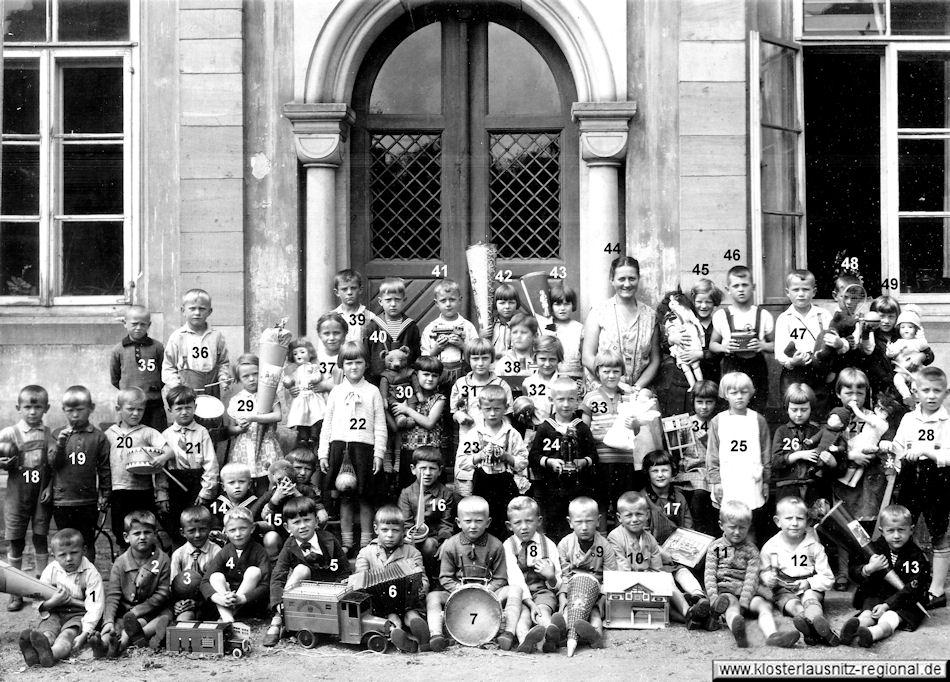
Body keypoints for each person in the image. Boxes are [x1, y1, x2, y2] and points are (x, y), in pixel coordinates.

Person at [425, 495, 519, 652]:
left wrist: (486, 591)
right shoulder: (451, 545)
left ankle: (508, 632)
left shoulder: (496, 545)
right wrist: (459, 590)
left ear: (488, 522)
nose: (473, 526)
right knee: (432, 597)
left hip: (488, 593)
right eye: (468, 521)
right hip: (458, 594)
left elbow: (501, 578)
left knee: (515, 590)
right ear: (458, 522)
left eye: (479, 521)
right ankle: (436, 634)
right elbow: (445, 577)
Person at [318, 341, 387, 553]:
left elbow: (379, 425)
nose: (354, 367)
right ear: (341, 365)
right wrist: (323, 453)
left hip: (364, 449)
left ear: (366, 365)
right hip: (340, 448)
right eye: (349, 363)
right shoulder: (337, 392)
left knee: (365, 497)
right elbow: (327, 424)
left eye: (358, 362)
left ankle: (367, 542)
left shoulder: (372, 391)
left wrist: (379, 454)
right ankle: (347, 543)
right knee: (345, 496)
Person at [891, 366, 950, 609]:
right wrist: (896, 454)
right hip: (911, 477)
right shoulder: (908, 418)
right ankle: (903, 584)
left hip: (938, 479)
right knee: (903, 527)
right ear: (916, 392)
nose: (932, 396)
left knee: (939, 532)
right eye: (926, 390)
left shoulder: (946, 421)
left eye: (937, 391)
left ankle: (937, 590)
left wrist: (927, 451)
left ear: (945, 394)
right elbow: (898, 444)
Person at [704, 501, 799, 648]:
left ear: (748, 527)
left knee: (763, 607)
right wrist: (714, 601)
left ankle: (772, 635)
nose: (737, 532)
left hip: (748, 593)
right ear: (721, 525)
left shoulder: (751, 550)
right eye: (732, 527)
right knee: (731, 606)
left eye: (742, 528)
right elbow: (710, 575)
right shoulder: (716, 547)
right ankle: (737, 629)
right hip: (726, 590)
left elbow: (751, 578)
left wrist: (745, 601)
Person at [264, 497, 350, 647]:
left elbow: (345, 570)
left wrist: (338, 588)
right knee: (301, 570)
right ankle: (278, 619)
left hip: (328, 593)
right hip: (303, 596)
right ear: (287, 527)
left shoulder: (329, 540)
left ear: (316, 521)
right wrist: (279, 602)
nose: (302, 526)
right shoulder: (289, 546)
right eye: (296, 522)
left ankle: (318, 628)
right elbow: (278, 575)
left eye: (307, 520)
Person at [840, 505, 930, 647]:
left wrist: (887, 606)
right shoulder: (874, 548)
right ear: (882, 531)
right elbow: (854, 573)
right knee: (867, 613)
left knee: (890, 618)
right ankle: (853, 629)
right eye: (891, 530)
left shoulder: (916, 556)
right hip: (878, 594)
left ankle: (872, 634)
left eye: (901, 530)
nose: (896, 535)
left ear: (911, 530)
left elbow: (912, 589)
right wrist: (868, 569)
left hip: (905, 600)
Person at [0, 385, 55, 610]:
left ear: (46, 408)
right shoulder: (9, 433)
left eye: (37, 407)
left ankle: (41, 585)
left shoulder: (47, 433)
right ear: (18, 408)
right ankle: (16, 591)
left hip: (40, 494)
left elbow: (54, 466)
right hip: (16, 495)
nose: (32, 412)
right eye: (28, 407)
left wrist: (50, 486)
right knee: (16, 541)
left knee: (41, 538)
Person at [830, 368, 886, 591]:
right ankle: (843, 572)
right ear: (838, 393)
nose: (854, 397)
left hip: (868, 479)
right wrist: (850, 455)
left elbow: (883, 444)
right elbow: (828, 447)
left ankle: (865, 568)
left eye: (860, 392)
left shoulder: (873, 418)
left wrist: (873, 453)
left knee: (866, 524)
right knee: (845, 523)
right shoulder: (835, 418)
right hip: (844, 478)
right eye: (848, 391)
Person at [18, 528, 104, 667]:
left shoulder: (91, 573)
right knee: (48, 633)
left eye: (74, 553)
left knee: (66, 636)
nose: (69, 558)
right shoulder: (50, 570)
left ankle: (51, 654)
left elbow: (96, 607)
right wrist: (53, 602)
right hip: (55, 611)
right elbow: (38, 600)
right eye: (62, 555)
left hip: (78, 615)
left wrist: (85, 633)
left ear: (84, 550)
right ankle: (35, 652)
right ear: (54, 555)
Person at [455, 384, 529, 539]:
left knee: (506, 519)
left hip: (505, 481)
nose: (493, 413)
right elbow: (462, 461)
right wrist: (480, 455)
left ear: (506, 407)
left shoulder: (512, 434)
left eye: (497, 409)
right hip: (483, 481)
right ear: (480, 407)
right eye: (488, 409)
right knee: (483, 516)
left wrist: (506, 457)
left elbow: (523, 460)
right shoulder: (474, 433)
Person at [760, 497, 836, 646]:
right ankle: (811, 628)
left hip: (809, 586)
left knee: (810, 597)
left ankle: (816, 621)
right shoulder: (771, 546)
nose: (794, 523)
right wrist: (768, 578)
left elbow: (828, 577)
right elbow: (764, 570)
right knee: (792, 604)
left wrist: (809, 583)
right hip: (784, 588)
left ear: (807, 521)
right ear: (777, 521)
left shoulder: (814, 546)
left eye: (800, 518)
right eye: (788, 518)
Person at [354, 505, 430, 653]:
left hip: (407, 601)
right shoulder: (366, 553)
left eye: (395, 531)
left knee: (411, 614)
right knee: (391, 616)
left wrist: (419, 589)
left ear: (403, 531)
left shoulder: (412, 552)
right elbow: (360, 580)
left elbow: (423, 580)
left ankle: (421, 633)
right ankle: (399, 635)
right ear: (376, 529)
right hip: (380, 604)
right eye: (385, 530)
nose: (390, 535)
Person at [529, 376, 597, 541]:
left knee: (574, 524)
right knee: (552, 525)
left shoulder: (581, 428)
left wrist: (582, 462)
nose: (566, 404)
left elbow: (594, 455)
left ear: (577, 400)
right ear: (552, 400)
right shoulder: (545, 427)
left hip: (577, 487)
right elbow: (533, 456)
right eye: (561, 399)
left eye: (571, 399)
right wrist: (550, 462)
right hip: (551, 487)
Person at [104, 387, 172, 551]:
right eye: (131, 409)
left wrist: (161, 458)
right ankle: (124, 566)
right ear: (118, 409)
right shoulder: (109, 434)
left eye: (140, 410)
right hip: (118, 490)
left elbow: (169, 451)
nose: (135, 413)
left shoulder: (147, 433)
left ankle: (148, 566)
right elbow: (102, 465)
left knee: (146, 529)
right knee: (121, 531)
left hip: (143, 490)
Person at [582, 349, 644, 525]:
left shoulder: (628, 397)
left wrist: (634, 425)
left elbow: (636, 430)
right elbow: (585, 431)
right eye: (606, 371)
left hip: (624, 459)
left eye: (616, 371)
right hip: (600, 459)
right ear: (597, 372)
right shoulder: (590, 398)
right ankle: (601, 535)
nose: (611, 375)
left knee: (622, 501)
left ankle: (620, 536)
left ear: (622, 372)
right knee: (600, 501)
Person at [706, 372, 771, 538]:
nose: (739, 397)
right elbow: (712, 454)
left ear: (751, 393)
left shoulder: (758, 420)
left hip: (751, 478)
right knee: (730, 519)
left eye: (744, 392)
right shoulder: (718, 421)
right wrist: (716, 481)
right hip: (728, 478)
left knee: (750, 521)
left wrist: (766, 481)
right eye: (734, 393)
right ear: (725, 395)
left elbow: (765, 452)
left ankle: (751, 556)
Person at [50, 385, 111, 563]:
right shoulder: (56, 434)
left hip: (87, 499)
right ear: (63, 410)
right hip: (62, 499)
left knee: (87, 541)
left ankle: (88, 579)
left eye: (80, 410)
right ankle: (66, 580)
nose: (75, 415)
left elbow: (104, 468)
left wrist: (105, 493)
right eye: (70, 411)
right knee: (64, 541)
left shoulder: (98, 437)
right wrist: (60, 445)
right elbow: (53, 465)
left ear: (91, 408)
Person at [582, 256, 660, 393]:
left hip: (637, 391)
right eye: (621, 279)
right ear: (612, 280)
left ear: (638, 279)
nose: (627, 284)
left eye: (632, 278)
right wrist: (616, 384)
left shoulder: (650, 316)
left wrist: (637, 388)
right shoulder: (598, 312)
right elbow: (587, 356)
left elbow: (655, 360)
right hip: (603, 390)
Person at [101, 510, 172, 656]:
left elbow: (162, 593)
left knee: (165, 617)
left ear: (155, 534)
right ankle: (104, 645)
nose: (142, 537)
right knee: (114, 627)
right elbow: (113, 595)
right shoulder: (120, 563)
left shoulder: (162, 560)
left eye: (147, 532)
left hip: (152, 609)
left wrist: (137, 611)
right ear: (126, 537)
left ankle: (131, 639)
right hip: (126, 611)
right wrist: (108, 620)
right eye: (137, 533)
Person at [556, 497, 620, 655]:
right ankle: (557, 634)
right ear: (570, 522)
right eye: (579, 522)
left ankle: (595, 635)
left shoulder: (604, 545)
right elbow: (564, 575)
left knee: (595, 614)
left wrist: (603, 597)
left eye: (589, 521)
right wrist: (562, 596)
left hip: (596, 592)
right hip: (573, 590)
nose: (584, 527)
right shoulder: (565, 544)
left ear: (598, 521)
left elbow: (611, 576)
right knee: (567, 612)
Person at [708, 266, 774, 414]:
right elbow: (713, 345)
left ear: (753, 287)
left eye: (745, 285)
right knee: (730, 408)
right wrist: (724, 347)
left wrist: (762, 345)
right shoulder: (721, 315)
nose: (741, 289)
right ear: (728, 289)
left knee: (757, 408)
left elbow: (775, 345)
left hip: (756, 367)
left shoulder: (763, 315)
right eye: (736, 286)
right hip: (732, 365)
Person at [770, 383, 844, 514]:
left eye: (804, 410)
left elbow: (827, 469)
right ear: (787, 408)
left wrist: (831, 462)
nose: (798, 414)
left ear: (811, 408)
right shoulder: (782, 432)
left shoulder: (817, 432)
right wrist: (798, 455)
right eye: (794, 410)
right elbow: (775, 462)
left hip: (813, 489)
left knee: (813, 524)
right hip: (788, 489)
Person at [502, 496, 563, 654]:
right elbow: (515, 578)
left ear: (539, 521)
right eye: (517, 523)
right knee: (523, 617)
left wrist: (550, 577)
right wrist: (530, 604)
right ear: (509, 525)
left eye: (529, 521)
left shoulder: (548, 545)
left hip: (543, 590)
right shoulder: (508, 546)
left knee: (543, 610)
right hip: (522, 595)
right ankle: (525, 640)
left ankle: (550, 635)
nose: (524, 527)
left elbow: (558, 581)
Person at [161, 385, 218, 544]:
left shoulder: (202, 433)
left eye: (188, 407)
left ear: (195, 408)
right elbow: (161, 470)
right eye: (179, 408)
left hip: (196, 483)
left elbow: (211, 464)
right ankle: (179, 557)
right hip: (175, 483)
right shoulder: (165, 436)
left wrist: (205, 492)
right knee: (177, 523)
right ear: (170, 409)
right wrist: (162, 494)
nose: (184, 412)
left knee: (197, 522)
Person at [773, 270, 833, 417]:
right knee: (795, 411)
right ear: (788, 292)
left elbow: (830, 345)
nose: (801, 294)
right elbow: (780, 351)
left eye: (805, 289)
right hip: (794, 371)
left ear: (814, 292)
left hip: (818, 370)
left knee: (819, 410)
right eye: (796, 290)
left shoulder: (823, 315)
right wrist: (792, 361)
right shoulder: (784, 318)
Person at [200, 506, 270, 623]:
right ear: (225, 532)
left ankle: (226, 617)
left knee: (254, 571)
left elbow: (265, 585)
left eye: (243, 529)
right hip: (226, 601)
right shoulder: (225, 551)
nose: (238, 534)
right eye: (232, 530)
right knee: (215, 576)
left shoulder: (259, 551)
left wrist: (242, 598)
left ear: (252, 528)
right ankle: (228, 619)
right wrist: (220, 598)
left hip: (249, 603)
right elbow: (205, 582)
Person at [226, 353, 283, 496]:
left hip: (266, 444)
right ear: (239, 379)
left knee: (266, 480)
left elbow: (277, 415)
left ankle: (264, 510)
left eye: (255, 374)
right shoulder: (236, 400)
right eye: (246, 376)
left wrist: (253, 417)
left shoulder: (269, 394)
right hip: (244, 446)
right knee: (245, 480)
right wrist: (239, 428)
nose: (252, 379)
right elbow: (230, 429)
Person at [161, 288, 231, 401]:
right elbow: (168, 366)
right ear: (183, 310)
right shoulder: (178, 337)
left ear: (210, 311)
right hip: (185, 392)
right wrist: (176, 386)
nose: (197, 313)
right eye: (192, 309)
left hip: (211, 391)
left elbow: (223, 362)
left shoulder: (216, 336)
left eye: (202, 309)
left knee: (210, 417)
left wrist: (223, 377)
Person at [397, 447, 455, 580]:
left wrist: (445, 540)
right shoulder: (407, 493)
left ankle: (435, 578)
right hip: (412, 538)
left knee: (429, 545)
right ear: (413, 469)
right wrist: (409, 537)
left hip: (435, 539)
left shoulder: (446, 494)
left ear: (440, 470)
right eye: (423, 468)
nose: (427, 473)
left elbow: (446, 523)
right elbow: (406, 523)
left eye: (432, 468)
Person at [391, 356, 445, 492]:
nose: (430, 379)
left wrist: (407, 410)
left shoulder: (438, 399)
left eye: (434, 375)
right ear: (416, 375)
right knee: (408, 490)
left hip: (430, 453)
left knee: (431, 492)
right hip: (409, 452)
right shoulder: (406, 395)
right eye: (426, 374)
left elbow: (429, 422)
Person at [110, 305, 166, 431]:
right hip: (130, 404)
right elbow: (115, 378)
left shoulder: (157, 347)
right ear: (125, 323)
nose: (139, 328)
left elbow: (164, 374)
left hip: (153, 402)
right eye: (134, 324)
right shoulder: (118, 350)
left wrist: (152, 390)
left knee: (157, 435)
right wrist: (129, 392)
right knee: (130, 435)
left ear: (149, 325)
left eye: (143, 324)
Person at [673, 379, 718, 536]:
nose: (704, 407)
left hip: (705, 471)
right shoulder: (686, 422)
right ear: (693, 402)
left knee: (699, 498)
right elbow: (676, 450)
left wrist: (703, 437)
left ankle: (701, 534)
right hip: (685, 470)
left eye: (709, 402)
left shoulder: (717, 423)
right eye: (699, 402)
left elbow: (717, 451)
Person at [259, 458, 327, 560]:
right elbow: (257, 514)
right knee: (270, 537)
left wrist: (297, 494)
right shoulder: (271, 493)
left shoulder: (305, 490)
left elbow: (318, 512)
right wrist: (273, 501)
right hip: (279, 533)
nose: (284, 484)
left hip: (302, 531)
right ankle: (274, 563)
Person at [450, 338, 513, 441]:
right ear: (468, 359)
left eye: (485, 358)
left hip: (495, 438)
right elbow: (454, 412)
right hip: (468, 439)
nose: (480, 363)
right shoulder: (460, 384)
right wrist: (459, 415)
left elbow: (507, 417)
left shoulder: (501, 385)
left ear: (492, 359)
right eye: (475, 359)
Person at [421, 278, 479, 389]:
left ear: (460, 300)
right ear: (436, 303)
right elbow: (423, 360)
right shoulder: (430, 328)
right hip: (438, 373)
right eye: (443, 301)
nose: (448, 304)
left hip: (463, 372)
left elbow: (477, 353)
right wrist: (435, 349)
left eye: (452, 300)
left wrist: (462, 345)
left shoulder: (468, 327)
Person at [365, 277, 422, 380]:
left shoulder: (411, 327)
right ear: (380, 301)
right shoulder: (373, 326)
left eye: (397, 299)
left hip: (405, 381)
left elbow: (416, 355)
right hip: (378, 379)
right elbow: (366, 354)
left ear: (404, 300)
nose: (393, 304)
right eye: (388, 300)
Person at [170, 505, 219, 622]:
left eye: (202, 529)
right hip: (187, 603)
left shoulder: (216, 552)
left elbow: (219, 585)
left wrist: (199, 603)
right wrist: (177, 604)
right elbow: (172, 585)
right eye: (191, 530)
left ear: (209, 528)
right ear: (182, 532)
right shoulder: (179, 554)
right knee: (184, 619)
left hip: (210, 602)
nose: (197, 535)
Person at [541, 282, 585, 391]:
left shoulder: (579, 328)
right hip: (551, 379)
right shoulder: (547, 326)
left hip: (575, 378)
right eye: (557, 304)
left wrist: (584, 380)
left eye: (567, 304)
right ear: (551, 306)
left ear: (573, 305)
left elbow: (585, 359)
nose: (562, 308)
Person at [283, 337, 324, 445]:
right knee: (301, 417)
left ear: (310, 354)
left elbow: (317, 376)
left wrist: (313, 378)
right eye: (295, 353)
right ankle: (303, 436)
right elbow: (290, 380)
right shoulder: (295, 370)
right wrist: (287, 381)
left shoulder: (312, 366)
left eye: (302, 352)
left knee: (315, 415)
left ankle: (314, 435)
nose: (299, 355)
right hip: (301, 397)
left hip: (312, 396)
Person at [886, 306, 929, 408]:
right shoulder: (898, 342)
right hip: (902, 371)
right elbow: (891, 354)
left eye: (910, 327)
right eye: (903, 327)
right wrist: (890, 350)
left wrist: (921, 336)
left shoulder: (917, 342)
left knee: (917, 385)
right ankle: (906, 395)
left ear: (916, 329)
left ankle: (917, 402)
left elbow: (925, 347)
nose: (906, 330)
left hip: (916, 371)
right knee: (898, 380)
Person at [209, 463, 266, 535]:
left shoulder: (256, 503)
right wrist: (217, 531)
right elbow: (215, 524)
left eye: (241, 482)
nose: (237, 486)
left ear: (249, 484)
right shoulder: (217, 504)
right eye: (231, 482)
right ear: (223, 487)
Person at [520, 336, 562, 424]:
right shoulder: (528, 382)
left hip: (557, 432)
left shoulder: (563, 383)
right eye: (542, 359)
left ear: (559, 359)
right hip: (533, 431)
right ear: (535, 358)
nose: (547, 364)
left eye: (552, 359)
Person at [687, 278, 722, 385]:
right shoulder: (688, 322)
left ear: (715, 302)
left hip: (713, 376)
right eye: (699, 301)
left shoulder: (718, 323)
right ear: (693, 301)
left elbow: (722, 351)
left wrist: (701, 354)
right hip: (690, 376)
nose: (703, 306)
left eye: (708, 302)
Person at [496, 312, 539, 383]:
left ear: (535, 336)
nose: (518, 336)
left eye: (524, 332)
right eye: (514, 332)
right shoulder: (503, 362)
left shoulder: (543, 360)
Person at [331, 268, 368, 343]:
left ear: (360, 289)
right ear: (337, 292)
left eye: (353, 288)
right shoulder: (331, 317)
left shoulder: (370, 317)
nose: (349, 292)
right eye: (344, 289)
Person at [491, 282, 524, 357]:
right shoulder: (490, 323)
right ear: (495, 304)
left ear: (517, 303)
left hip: (512, 364)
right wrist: (481, 336)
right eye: (502, 303)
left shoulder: (521, 324)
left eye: (511, 302)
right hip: (491, 366)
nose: (507, 306)